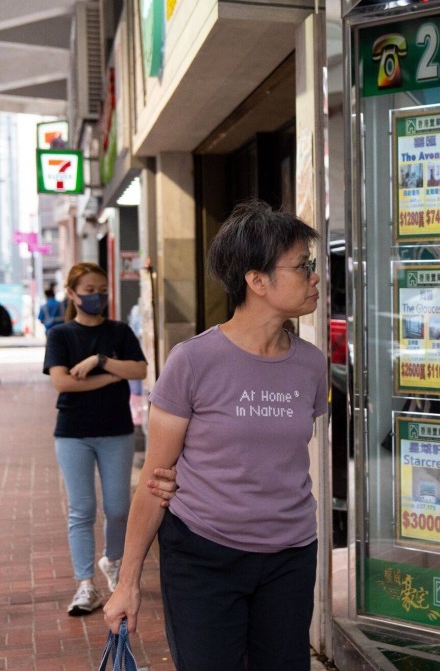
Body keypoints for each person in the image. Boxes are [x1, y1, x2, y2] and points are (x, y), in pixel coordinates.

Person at [104, 199, 328, 671]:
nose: (315, 277)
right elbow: (156, 478)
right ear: (257, 279)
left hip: (290, 556)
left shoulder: (311, 364)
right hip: (203, 556)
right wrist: (127, 582)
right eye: (303, 266)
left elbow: (280, 457)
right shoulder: (193, 361)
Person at [42, 263, 148, 615]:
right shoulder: (60, 335)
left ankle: (113, 562)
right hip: (73, 434)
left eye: (102, 289)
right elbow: (63, 382)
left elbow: (140, 369)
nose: (97, 296)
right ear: (72, 293)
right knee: (82, 509)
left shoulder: (118, 332)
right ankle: (85, 585)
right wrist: (111, 376)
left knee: (118, 508)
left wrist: (99, 360)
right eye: (88, 289)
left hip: (116, 430)